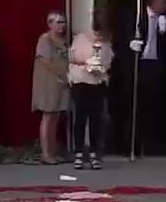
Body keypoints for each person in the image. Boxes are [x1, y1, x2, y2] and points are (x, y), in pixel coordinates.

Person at [68, 18, 112, 170]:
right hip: (81, 82)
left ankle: (94, 154)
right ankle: (78, 153)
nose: (99, 34)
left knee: (96, 120)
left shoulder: (105, 43)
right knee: (80, 118)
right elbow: (72, 57)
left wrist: (100, 66)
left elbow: (108, 61)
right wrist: (86, 62)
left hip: (97, 83)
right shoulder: (80, 39)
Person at [129, 0, 166, 157]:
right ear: (154, 2)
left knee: (152, 106)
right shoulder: (138, 17)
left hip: (154, 64)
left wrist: (164, 32)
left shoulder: (163, 20)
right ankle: (133, 143)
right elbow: (126, 34)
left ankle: (149, 143)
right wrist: (130, 43)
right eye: (163, 2)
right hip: (139, 64)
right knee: (136, 105)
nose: (165, 6)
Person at [32, 11, 70, 164]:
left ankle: (52, 152)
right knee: (47, 116)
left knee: (56, 116)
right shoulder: (45, 39)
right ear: (50, 24)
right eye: (58, 22)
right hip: (48, 82)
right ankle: (45, 153)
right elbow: (45, 61)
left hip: (61, 82)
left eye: (63, 22)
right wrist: (61, 73)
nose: (61, 25)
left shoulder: (64, 40)